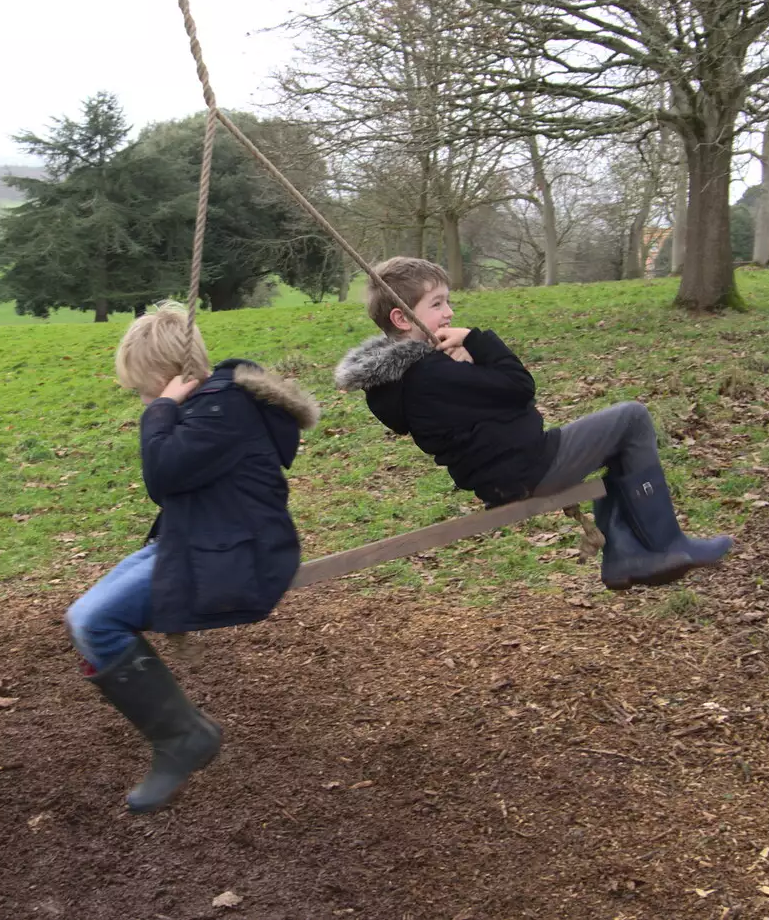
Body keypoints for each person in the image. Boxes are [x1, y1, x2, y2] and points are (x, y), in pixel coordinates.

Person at [333, 257, 732, 591]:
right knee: (632, 418)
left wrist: (467, 367)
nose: (450, 312)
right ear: (403, 318)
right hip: (528, 467)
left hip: (505, 471)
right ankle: (662, 544)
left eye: (448, 302)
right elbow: (520, 388)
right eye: (437, 304)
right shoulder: (430, 373)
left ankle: (626, 555)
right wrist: (477, 340)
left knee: (617, 439)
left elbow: (487, 405)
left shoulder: (404, 379)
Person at [65, 303, 318, 813]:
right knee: (83, 618)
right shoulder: (213, 405)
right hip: (198, 539)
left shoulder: (221, 409)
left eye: (143, 389)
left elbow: (163, 475)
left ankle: (184, 737)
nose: (142, 399)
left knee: (97, 621)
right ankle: (182, 735)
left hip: (239, 554)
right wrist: (168, 406)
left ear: (169, 377)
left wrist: (159, 410)